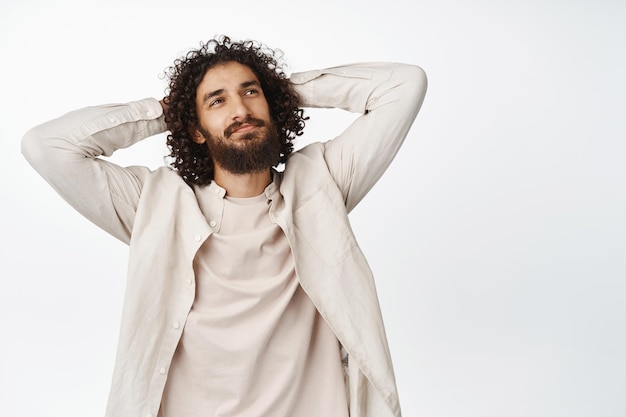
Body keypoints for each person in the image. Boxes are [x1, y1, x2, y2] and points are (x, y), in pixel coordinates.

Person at [21, 35, 427, 417]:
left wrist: (277, 88)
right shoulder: (155, 203)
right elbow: (46, 146)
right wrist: (165, 113)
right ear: (195, 130)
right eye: (217, 101)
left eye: (250, 92)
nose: (241, 111)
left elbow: (405, 85)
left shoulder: (322, 185)